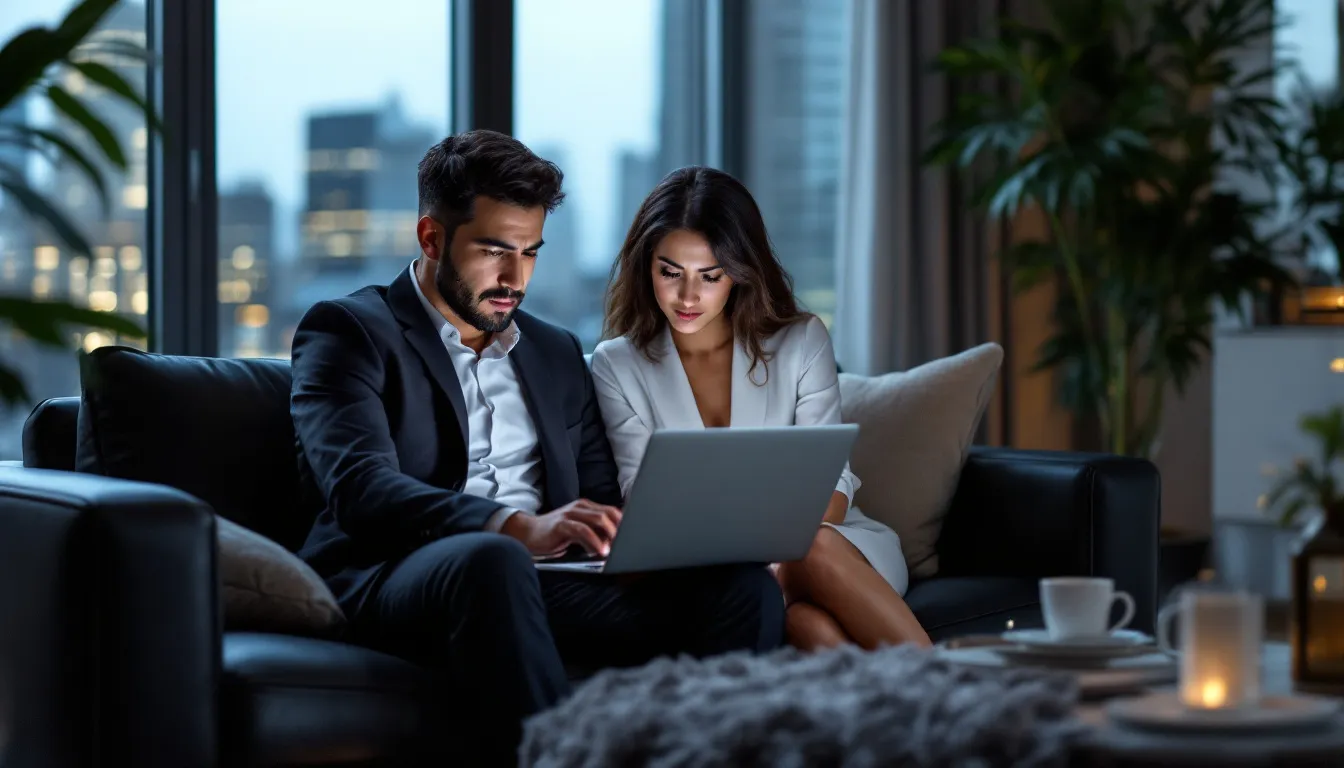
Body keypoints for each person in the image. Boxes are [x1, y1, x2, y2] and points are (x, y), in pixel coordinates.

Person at [289, 132, 785, 764]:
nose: (514, 278)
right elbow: (360, 489)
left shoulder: (553, 352)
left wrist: (652, 538)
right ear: (431, 238)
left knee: (743, 589)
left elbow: (597, 495)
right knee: (492, 561)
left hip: (546, 580)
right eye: (494, 251)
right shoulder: (351, 331)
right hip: (401, 574)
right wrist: (515, 526)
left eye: (530, 252)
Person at [590, 166, 932, 653]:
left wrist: (771, 551)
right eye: (671, 272)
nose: (687, 296)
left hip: (839, 545)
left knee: (809, 546)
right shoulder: (616, 364)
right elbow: (644, 497)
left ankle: (951, 692)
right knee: (807, 627)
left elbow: (833, 489)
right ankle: (946, 703)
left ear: (739, 271)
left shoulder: (800, 339)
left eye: (710, 276)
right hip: (716, 576)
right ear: (646, 266)